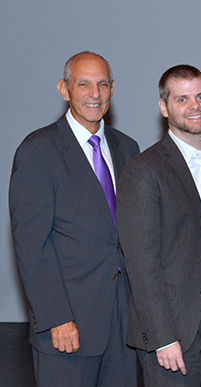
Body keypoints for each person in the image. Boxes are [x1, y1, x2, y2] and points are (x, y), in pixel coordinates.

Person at [9, 51, 139, 387]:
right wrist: (57, 318)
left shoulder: (128, 148)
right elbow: (31, 245)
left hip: (123, 327)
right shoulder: (38, 151)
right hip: (68, 327)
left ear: (112, 89)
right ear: (64, 90)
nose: (94, 94)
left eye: (102, 84)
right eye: (84, 84)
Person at [117, 64, 201, 386]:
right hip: (172, 324)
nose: (195, 106)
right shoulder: (144, 170)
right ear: (164, 107)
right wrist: (162, 337)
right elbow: (141, 262)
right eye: (182, 99)